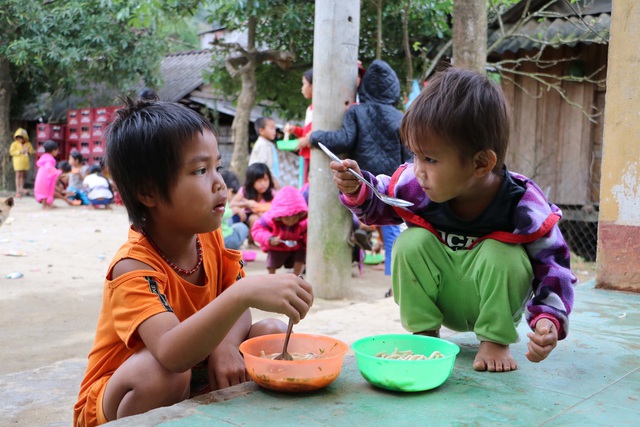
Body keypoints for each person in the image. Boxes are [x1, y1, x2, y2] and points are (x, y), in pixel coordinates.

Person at [73, 98, 314, 427]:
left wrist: (226, 346)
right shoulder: (133, 267)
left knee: (268, 334)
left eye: (217, 166)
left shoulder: (209, 239)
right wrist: (243, 292)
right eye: (200, 170)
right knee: (161, 375)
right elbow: (172, 352)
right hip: (121, 398)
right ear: (148, 192)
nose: (220, 183)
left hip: (191, 374)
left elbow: (239, 313)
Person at [328, 67, 576, 373]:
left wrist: (548, 319)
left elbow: (555, 267)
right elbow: (380, 199)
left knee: (504, 254)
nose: (418, 169)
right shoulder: (416, 185)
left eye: (430, 159)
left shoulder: (523, 205)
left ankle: (495, 339)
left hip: (492, 303)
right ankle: (424, 334)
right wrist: (357, 187)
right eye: (415, 155)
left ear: (481, 163)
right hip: (443, 298)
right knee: (410, 242)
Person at [306, 59, 408, 279]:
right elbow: (408, 156)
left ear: (366, 86)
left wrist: (314, 137)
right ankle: (392, 278)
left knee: (355, 208)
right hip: (390, 181)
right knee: (391, 230)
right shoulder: (400, 117)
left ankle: (361, 229)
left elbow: (344, 139)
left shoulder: (356, 112)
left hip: (362, 177)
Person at [251, 186, 307, 275]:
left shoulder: (303, 222)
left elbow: (307, 234)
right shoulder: (270, 218)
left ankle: (297, 276)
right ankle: (271, 276)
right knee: (272, 259)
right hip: (277, 247)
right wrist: (269, 238)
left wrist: (305, 240)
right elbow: (257, 229)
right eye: (287, 219)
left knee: (302, 254)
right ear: (280, 215)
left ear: (300, 215)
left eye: (295, 218)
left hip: (296, 248)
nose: (291, 221)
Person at [229, 162, 276, 244]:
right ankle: (250, 242)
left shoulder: (272, 193)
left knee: (255, 217)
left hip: (266, 219)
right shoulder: (244, 190)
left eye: (265, 180)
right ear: (252, 181)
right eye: (259, 181)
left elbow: (276, 209)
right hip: (245, 219)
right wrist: (246, 205)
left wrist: (258, 210)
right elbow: (231, 205)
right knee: (251, 217)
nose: (263, 184)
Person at [283, 68, 313, 184]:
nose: (302, 88)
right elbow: (307, 133)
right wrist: (295, 130)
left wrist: (303, 141)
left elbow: (311, 136)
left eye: (304, 84)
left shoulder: (319, 109)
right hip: (305, 155)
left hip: (312, 157)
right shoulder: (310, 109)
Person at [220, 169, 249, 250]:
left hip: (215, 238)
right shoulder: (222, 198)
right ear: (230, 191)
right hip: (224, 239)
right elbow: (221, 214)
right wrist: (234, 211)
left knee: (230, 222)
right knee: (243, 227)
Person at [33, 140, 62, 209]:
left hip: (41, 176)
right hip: (46, 177)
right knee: (46, 191)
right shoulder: (50, 159)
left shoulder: (43, 157)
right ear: (53, 151)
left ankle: (47, 205)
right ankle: (45, 206)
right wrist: (57, 172)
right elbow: (49, 167)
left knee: (43, 191)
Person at [9, 128, 35, 198]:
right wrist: (20, 152)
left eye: (21, 137)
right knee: (18, 175)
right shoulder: (14, 144)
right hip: (17, 162)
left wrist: (29, 152)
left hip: (25, 162)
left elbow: (32, 151)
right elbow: (11, 152)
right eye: (18, 137)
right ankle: (17, 190)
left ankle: (21, 188)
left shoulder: (28, 144)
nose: (20, 139)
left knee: (23, 175)